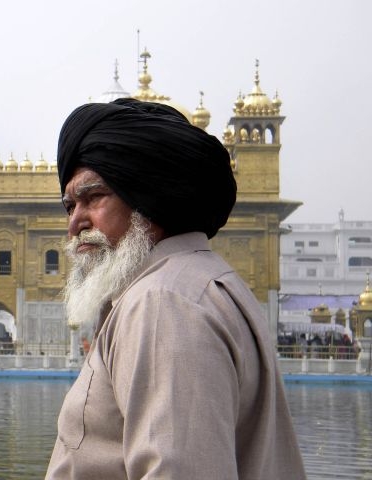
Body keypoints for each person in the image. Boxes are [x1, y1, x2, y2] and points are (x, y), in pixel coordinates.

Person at [46, 98, 306, 479]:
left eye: (93, 198)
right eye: (70, 205)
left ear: (147, 196)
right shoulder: (198, 283)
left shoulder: (163, 303)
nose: (75, 223)